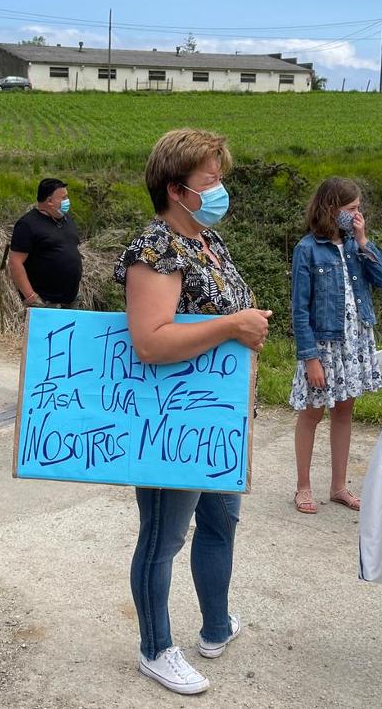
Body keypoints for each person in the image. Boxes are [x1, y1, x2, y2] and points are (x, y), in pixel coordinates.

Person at [114, 128, 271, 695]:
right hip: (172, 423)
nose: (221, 187)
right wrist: (234, 325)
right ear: (178, 188)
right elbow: (151, 343)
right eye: (212, 179)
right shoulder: (156, 251)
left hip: (218, 422)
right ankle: (155, 648)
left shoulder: (207, 242)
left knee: (221, 522)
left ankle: (215, 624)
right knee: (163, 537)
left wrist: (241, 323)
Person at [289, 178, 382, 514]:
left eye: (359, 209)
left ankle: (339, 487)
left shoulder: (353, 245)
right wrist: (310, 358)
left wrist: (363, 242)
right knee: (312, 412)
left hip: (355, 340)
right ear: (331, 209)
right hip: (324, 344)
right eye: (351, 210)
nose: (357, 215)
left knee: (344, 411)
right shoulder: (307, 249)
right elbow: (299, 308)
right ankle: (303, 486)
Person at [8, 178, 82, 308]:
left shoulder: (67, 220)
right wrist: (31, 297)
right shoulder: (27, 225)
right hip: (45, 302)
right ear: (49, 201)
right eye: (63, 198)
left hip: (71, 300)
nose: (67, 201)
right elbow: (15, 262)